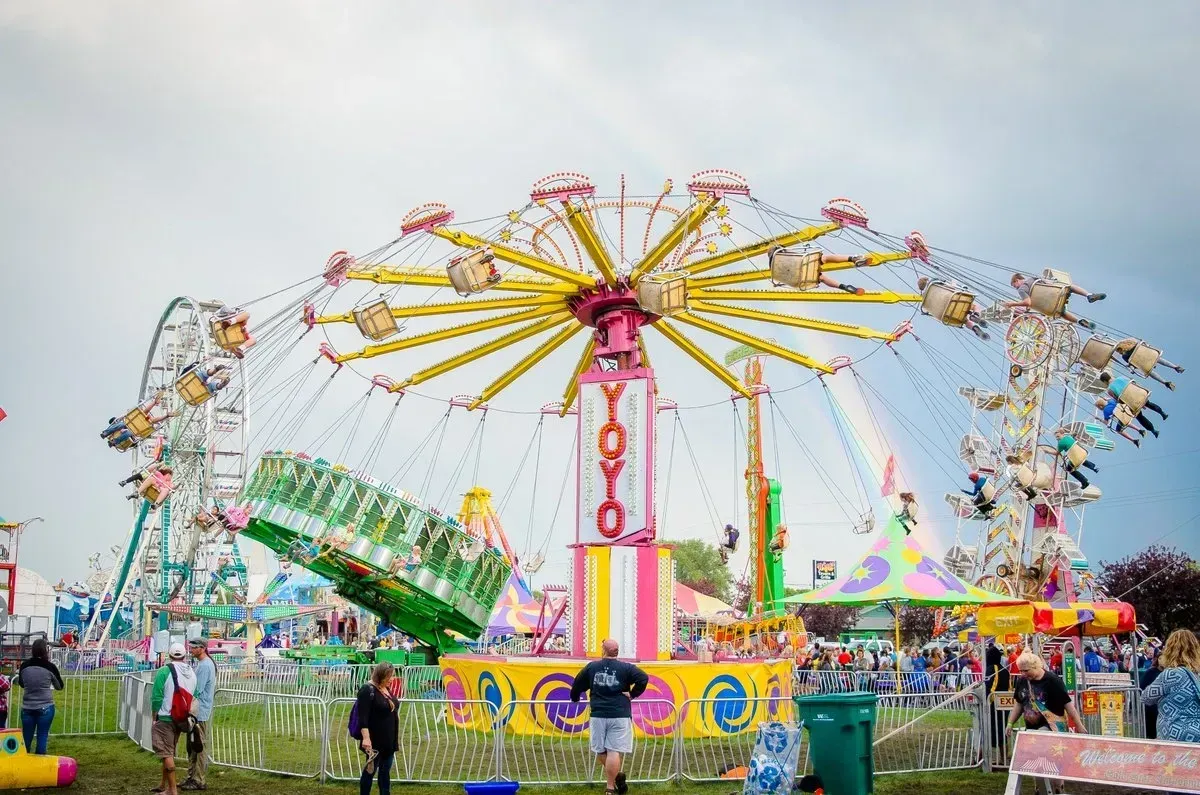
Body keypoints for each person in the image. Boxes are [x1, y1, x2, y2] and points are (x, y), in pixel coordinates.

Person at [570, 639, 648, 795]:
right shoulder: (626, 668)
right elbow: (643, 678)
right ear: (617, 651)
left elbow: (577, 684)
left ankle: (611, 786)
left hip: (598, 714)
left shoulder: (592, 667)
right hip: (620, 714)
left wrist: (575, 697)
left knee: (600, 751)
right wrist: (632, 694)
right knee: (613, 752)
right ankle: (615, 781)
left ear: (603, 650)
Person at [151, 642, 197, 795]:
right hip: (181, 718)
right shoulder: (191, 672)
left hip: (165, 717)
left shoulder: (164, 671)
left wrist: (154, 715)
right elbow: (194, 694)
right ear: (184, 655)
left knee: (166, 753)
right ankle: (164, 784)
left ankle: (172, 790)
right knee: (169, 751)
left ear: (169, 655)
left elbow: (157, 696)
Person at [1142, 629, 1200, 743]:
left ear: (1170, 650)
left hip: (1173, 734)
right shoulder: (1197, 674)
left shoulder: (1171, 674)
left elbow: (1146, 697)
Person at [1006, 651, 1084, 736]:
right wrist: (1010, 723)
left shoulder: (1053, 681)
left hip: (1052, 729)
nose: (1023, 674)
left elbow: (1068, 704)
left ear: (1035, 666)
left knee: (1040, 735)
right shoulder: (1021, 681)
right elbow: (1019, 704)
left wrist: (1079, 725)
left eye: (1026, 670)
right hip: (1031, 730)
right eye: (1021, 671)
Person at [355, 662, 400, 795]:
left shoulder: (386, 689)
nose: (391, 679)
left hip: (389, 740)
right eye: (389, 677)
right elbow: (362, 717)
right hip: (374, 741)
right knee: (370, 771)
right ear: (380, 676)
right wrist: (366, 739)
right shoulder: (367, 690)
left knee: (385, 773)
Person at [16, 638, 64, 754]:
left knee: (26, 738)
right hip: (45, 706)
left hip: (27, 707)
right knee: (42, 736)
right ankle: (40, 764)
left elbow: (22, 684)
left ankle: (24, 764)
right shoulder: (50, 667)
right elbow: (59, 686)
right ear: (45, 650)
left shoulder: (24, 666)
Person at [1005, 272, 1103, 329]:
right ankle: (1089, 295)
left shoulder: (1022, 289)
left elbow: (1028, 302)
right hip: (1055, 294)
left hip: (1047, 307)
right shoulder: (1032, 278)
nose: (1016, 288)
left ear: (1016, 281)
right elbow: (1048, 282)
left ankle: (1078, 321)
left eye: (1014, 286)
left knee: (1061, 313)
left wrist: (1012, 304)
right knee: (1070, 287)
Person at [180, 639, 216, 791]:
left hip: (199, 711)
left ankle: (198, 779)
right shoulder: (204, 664)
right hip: (197, 711)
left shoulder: (205, 666)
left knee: (198, 746)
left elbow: (197, 689)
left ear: (202, 649)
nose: (191, 650)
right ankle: (192, 776)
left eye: (194, 648)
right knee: (192, 746)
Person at [915, 276, 990, 339]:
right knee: (974, 306)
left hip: (946, 315)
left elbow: (929, 313)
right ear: (927, 280)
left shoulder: (924, 302)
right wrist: (956, 284)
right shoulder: (934, 284)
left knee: (964, 321)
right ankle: (975, 315)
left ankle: (974, 328)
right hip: (954, 301)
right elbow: (951, 288)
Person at [1098, 371, 1168, 436]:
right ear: (1109, 376)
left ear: (1104, 381)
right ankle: (1162, 413)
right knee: (1148, 403)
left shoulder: (1110, 390)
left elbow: (1118, 401)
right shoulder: (1121, 378)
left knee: (1140, 417)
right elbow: (1133, 383)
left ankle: (1153, 430)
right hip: (1139, 394)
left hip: (1132, 403)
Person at [1114, 338, 1184, 390]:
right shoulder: (1133, 343)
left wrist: (1130, 367)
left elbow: (1133, 365)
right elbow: (1144, 344)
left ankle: (1165, 382)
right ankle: (1175, 367)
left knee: (1149, 372)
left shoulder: (1124, 356)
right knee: (1157, 359)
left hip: (1143, 363)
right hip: (1149, 355)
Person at [1140, 649, 1164, 741]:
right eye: (1160, 658)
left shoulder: (1169, 673)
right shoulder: (1150, 672)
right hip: (1151, 706)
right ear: (1157, 659)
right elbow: (1141, 687)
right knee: (1151, 732)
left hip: (1162, 706)